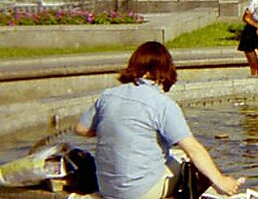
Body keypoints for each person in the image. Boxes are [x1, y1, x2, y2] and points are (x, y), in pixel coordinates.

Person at [74, 42, 244, 199]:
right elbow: (193, 149)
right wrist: (221, 180)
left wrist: (118, 130)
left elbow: (81, 129)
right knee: (187, 163)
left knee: (173, 154)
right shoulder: (162, 104)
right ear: (163, 72)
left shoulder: (108, 95)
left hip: (107, 188)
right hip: (138, 192)